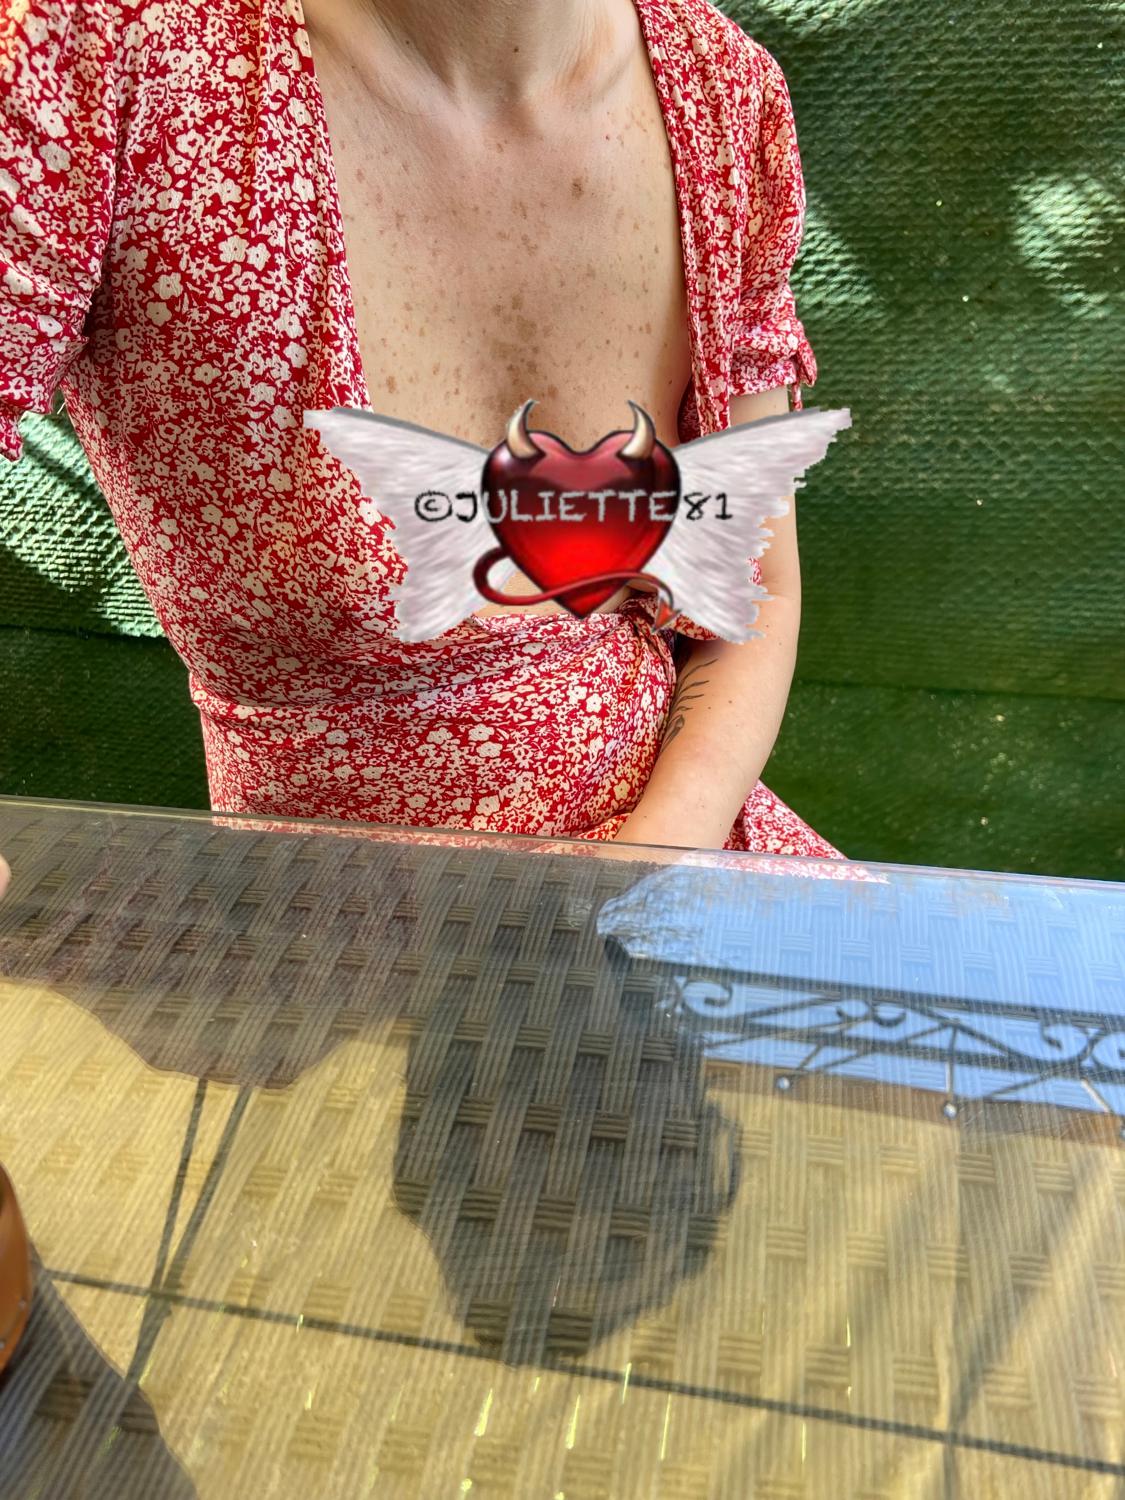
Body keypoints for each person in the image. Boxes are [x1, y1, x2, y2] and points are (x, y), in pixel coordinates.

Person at [0, 0, 847, 859]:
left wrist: (655, 857)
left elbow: (757, 588)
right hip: (344, 905)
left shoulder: (721, 88)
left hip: (686, 856)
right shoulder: (108, 51)